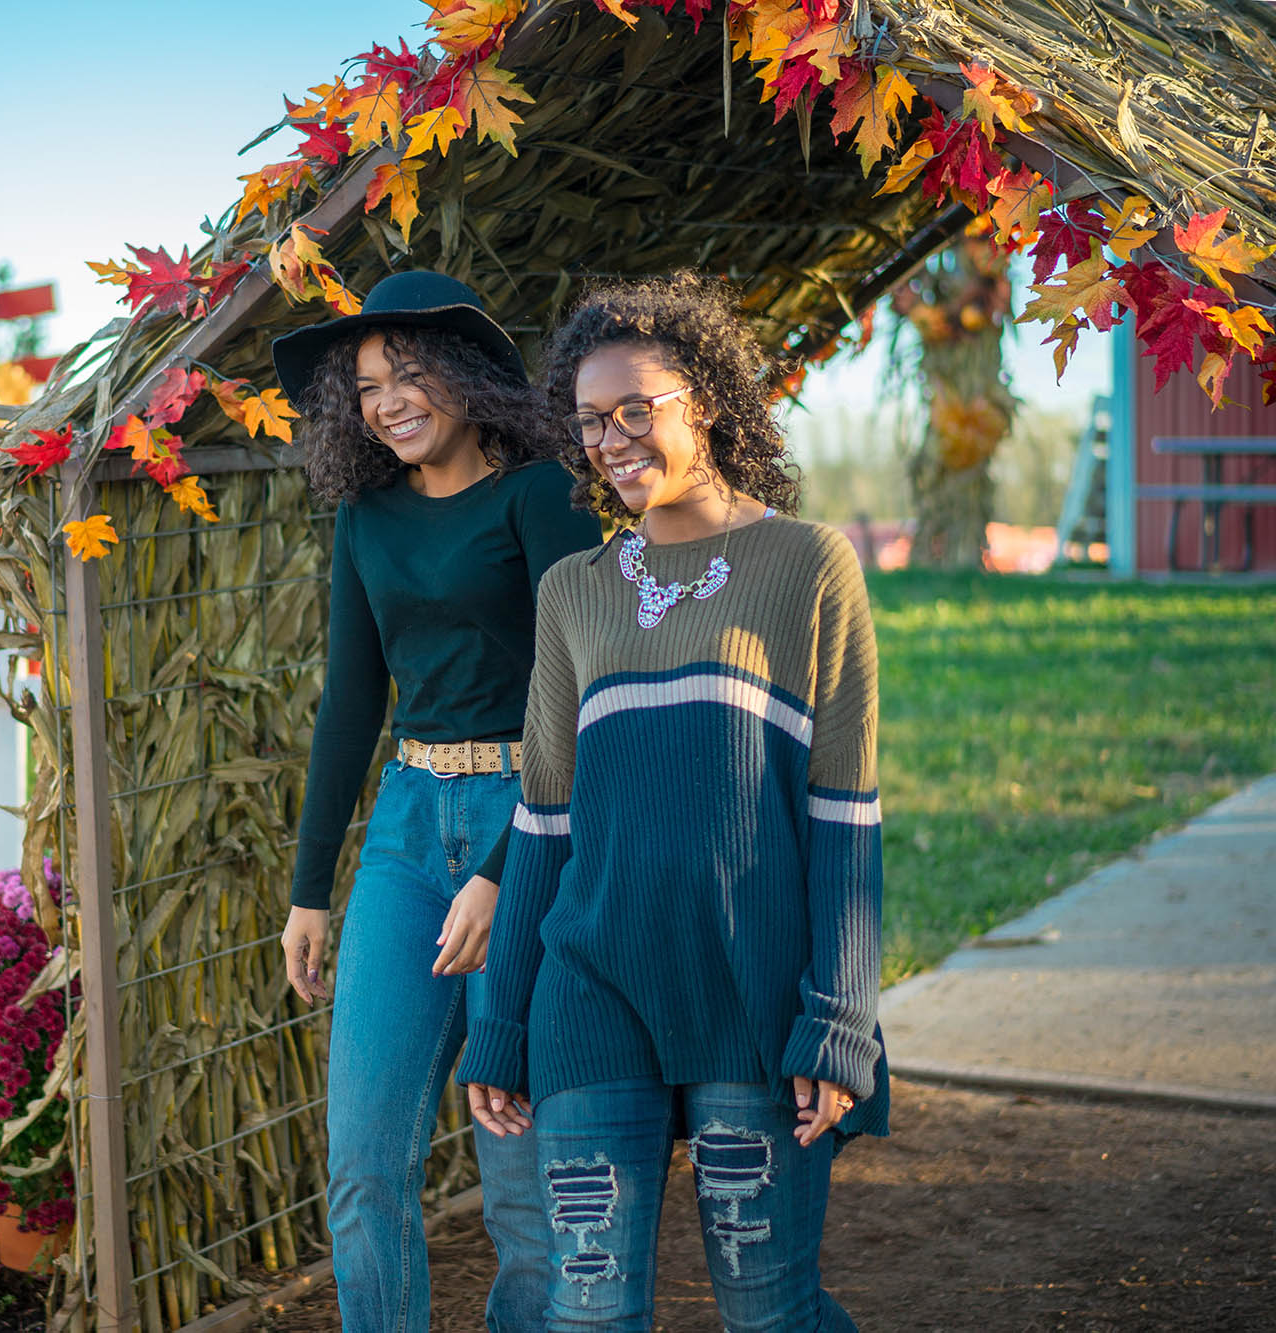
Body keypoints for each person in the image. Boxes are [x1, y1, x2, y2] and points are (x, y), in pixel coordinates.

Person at [458, 273, 890, 1332]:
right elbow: (541, 818)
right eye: (589, 421)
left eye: (634, 409)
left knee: (765, 1309)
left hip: (750, 990)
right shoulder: (575, 592)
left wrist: (835, 1022)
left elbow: (844, 816)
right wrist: (502, 1022)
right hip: (591, 990)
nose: (609, 439)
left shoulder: (806, 566)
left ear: (705, 398)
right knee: (589, 1307)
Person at [271, 270, 604, 1332]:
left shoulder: (542, 495)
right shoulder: (365, 518)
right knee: (363, 1158)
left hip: (533, 813)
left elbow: (580, 695)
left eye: (408, 373)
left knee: (516, 1169)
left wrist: (504, 870)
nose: (386, 401)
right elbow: (349, 708)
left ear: (464, 377)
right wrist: (308, 890)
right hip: (408, 829)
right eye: (367, 385)